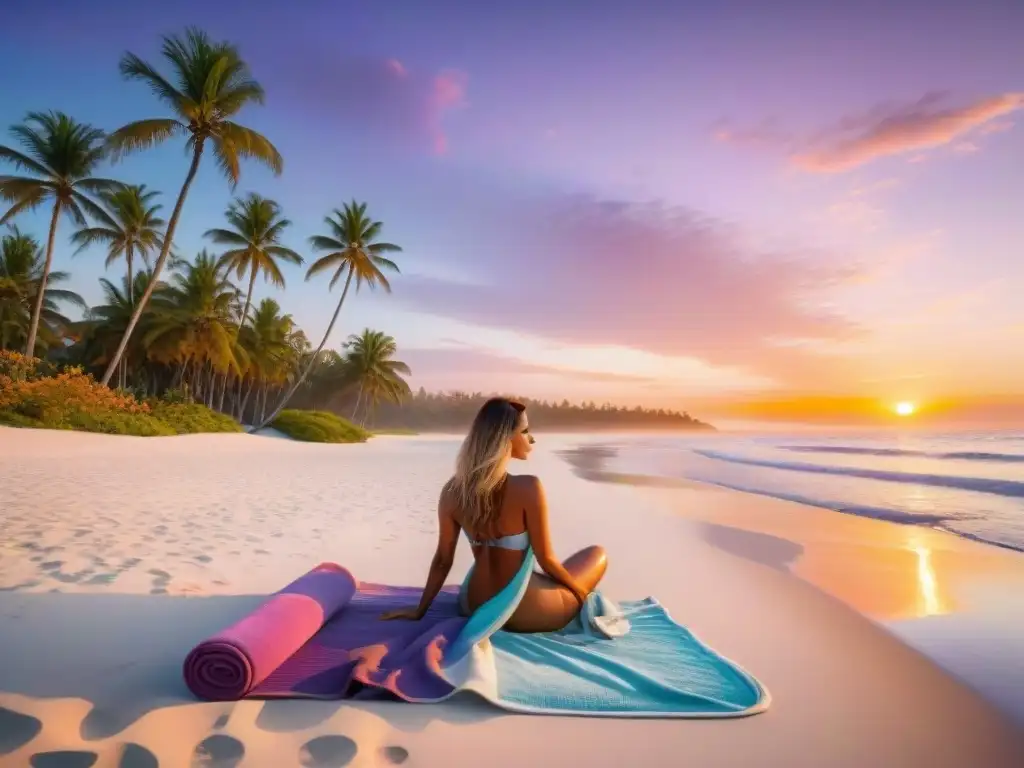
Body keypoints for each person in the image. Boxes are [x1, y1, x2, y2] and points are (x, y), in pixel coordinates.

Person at [379, 397, 608, 632]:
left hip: (472, 603)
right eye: (525, 431)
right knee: (597, 555)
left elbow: (442, 560)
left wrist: (420, 610)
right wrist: (580, 594)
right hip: (520, 609)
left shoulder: (452, 491)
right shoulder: (528, 488)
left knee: (556, 573)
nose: (532, 438)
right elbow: (546, 560)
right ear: (506, 439)